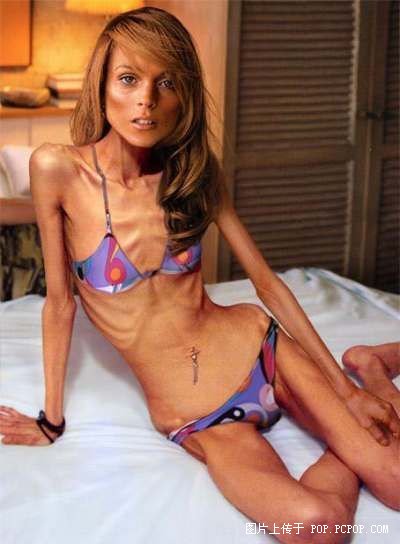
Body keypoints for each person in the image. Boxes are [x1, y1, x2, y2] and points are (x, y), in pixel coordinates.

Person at [0, 7, 399, 543]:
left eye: (165, 83)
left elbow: (267, 283)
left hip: (258, 346)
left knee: (396, 483)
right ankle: (354, 408)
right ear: (102, 85)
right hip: (198, 414)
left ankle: (368, 369)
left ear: (183, 94)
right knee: (316, 526)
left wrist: (346, 394)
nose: (146, 99)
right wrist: (51, 420)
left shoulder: (193, 173)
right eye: (128, 79)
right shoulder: (57, 169)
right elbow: (60, 304)